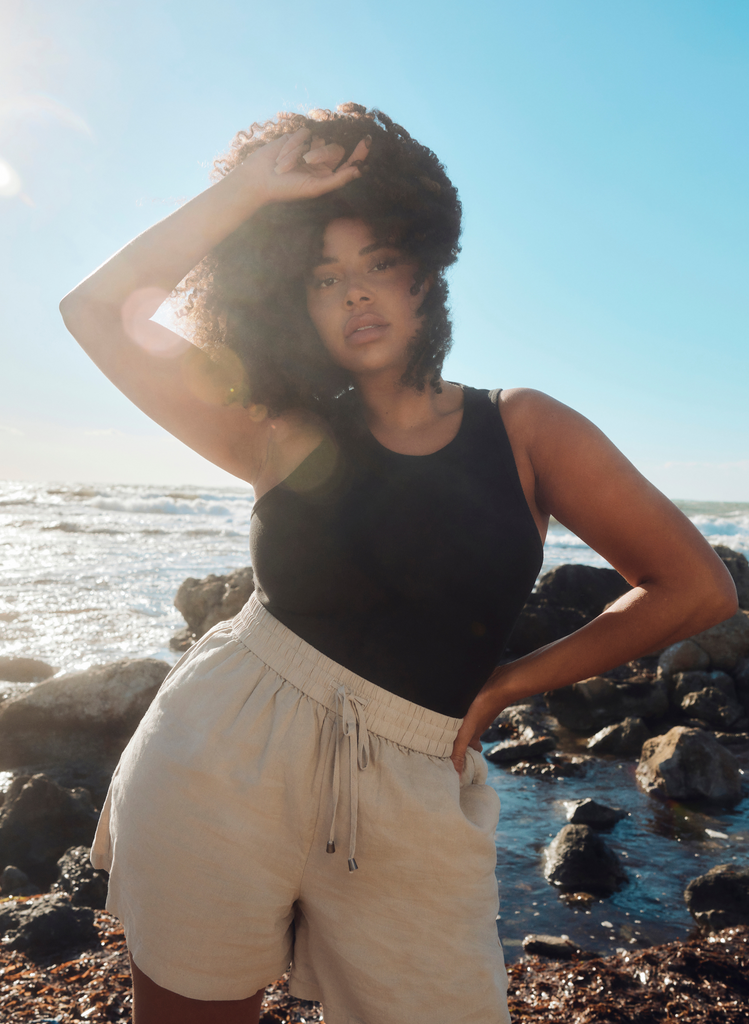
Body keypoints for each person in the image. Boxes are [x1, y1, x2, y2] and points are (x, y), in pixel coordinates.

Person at [60, 103, 737, 1024]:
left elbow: (694, 587)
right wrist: (250, 188)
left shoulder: (525, 426)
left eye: (379, 262)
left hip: (416, 779)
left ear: (425, 273)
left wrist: (504, 686)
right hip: (221, 758)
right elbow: (98, 309)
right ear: (292, 299)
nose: (356, 294)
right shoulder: (277, 427)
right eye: (323, 275)